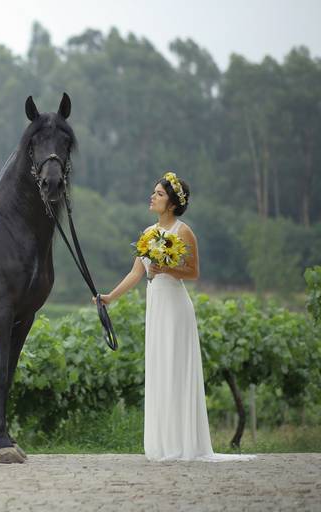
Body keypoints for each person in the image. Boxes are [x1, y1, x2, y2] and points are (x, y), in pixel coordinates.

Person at [93, 172, 255, 462]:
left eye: (158, 194)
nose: (152, 197)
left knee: (176, 367)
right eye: (153, 192)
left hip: (176, 307)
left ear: (171, 203)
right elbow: (136, 272)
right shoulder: (147, 234)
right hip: (156, 306)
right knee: (159, 368)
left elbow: (193, 273)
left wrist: (167, 268)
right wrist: (110, 297)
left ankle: (185, 444)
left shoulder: (183, 232)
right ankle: (164, 444)